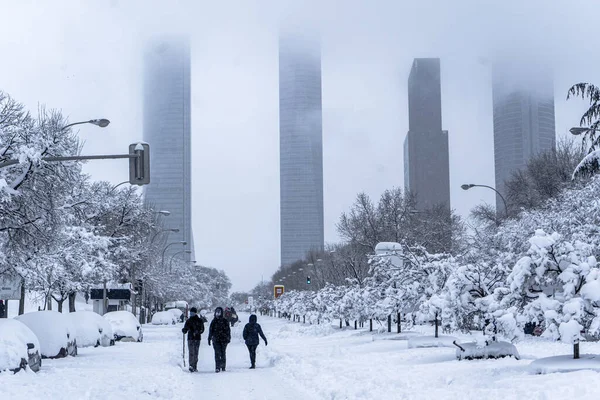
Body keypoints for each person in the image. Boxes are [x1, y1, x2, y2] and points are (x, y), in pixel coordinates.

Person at [181, 307, 205, 372]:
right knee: (191, 352)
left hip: (197, 339)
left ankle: (195, 365)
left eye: (192, 313)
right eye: (190, 313)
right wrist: (184, 330)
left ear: (195, 313)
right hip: (190, 338)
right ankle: (191, 365)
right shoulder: (188, 321)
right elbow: (186, 328)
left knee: (196, 353)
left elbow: (202, 329)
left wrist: (198, 332)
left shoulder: (199, 320)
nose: (191, 314)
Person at [208, 306, 231, 372]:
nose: (218, 314)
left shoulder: (225, 321)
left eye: (219, 312)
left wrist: (228, 338)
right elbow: (211, 330)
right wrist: (209, 338)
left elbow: (228, 330)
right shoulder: (213, 321)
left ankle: (223, 366)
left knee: (223, 353)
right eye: (217, 312)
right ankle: (217, 367)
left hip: (224, 340)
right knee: (217, 353)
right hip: (216, 340)